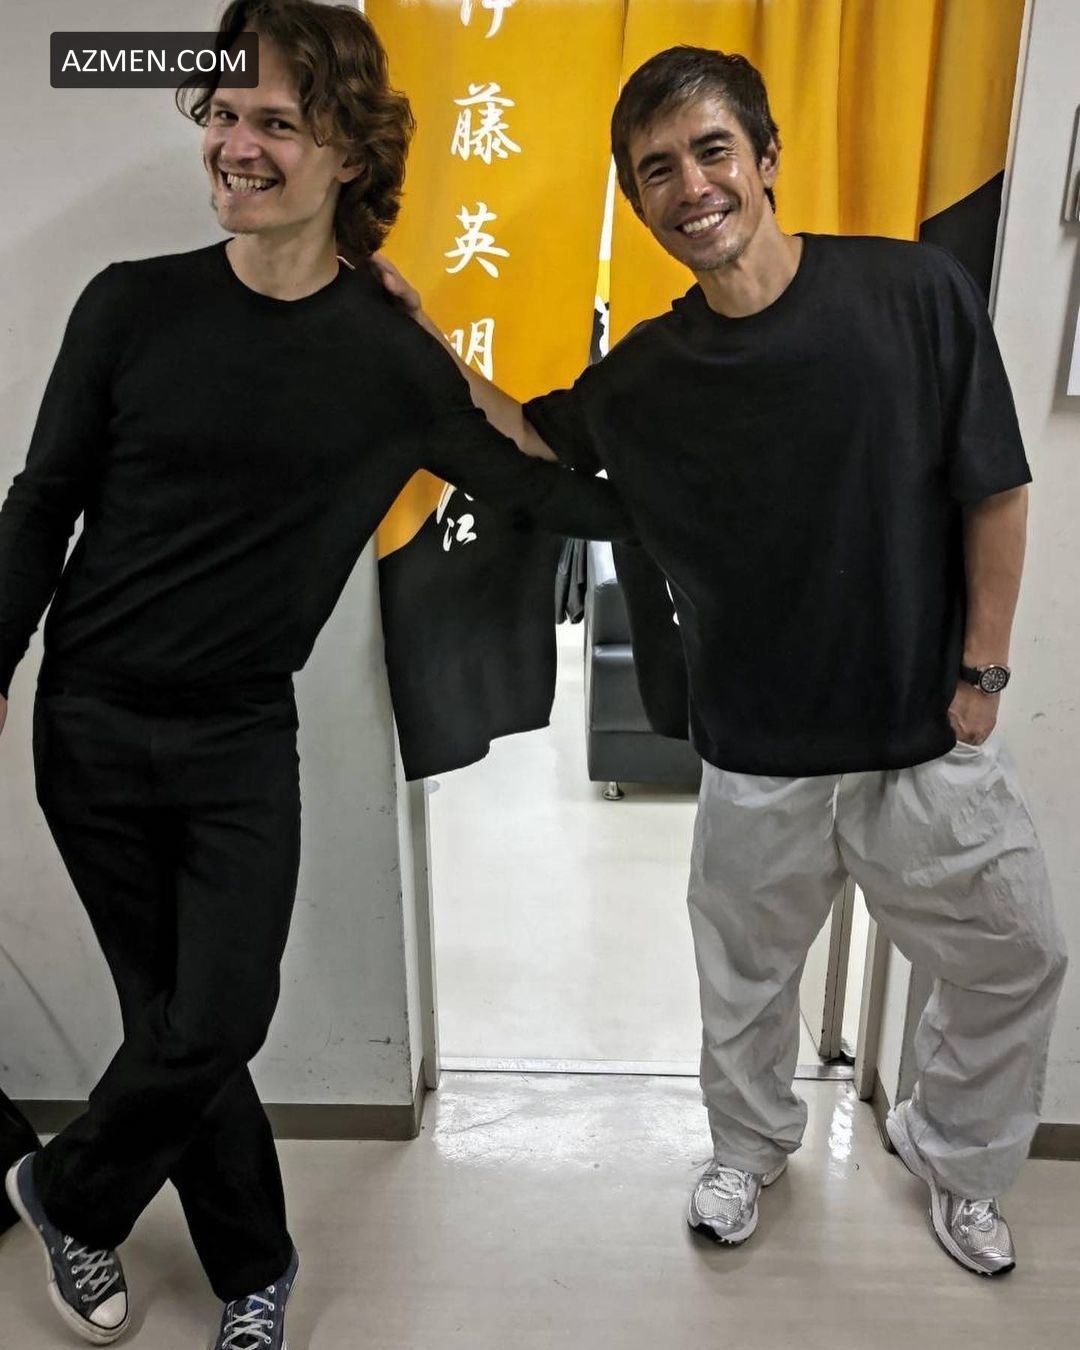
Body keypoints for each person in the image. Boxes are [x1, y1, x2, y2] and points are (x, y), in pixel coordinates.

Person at [375, 45, 1067, 1278]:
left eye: (711, 151)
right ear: (637, 201)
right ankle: (748, 1150)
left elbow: (997, 489)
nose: (691, 187)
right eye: (658, 170)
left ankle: (959, 1160)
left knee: (1016, 957)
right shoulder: (654, 373)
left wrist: (984, 677)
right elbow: (535, 436)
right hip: (757, 746)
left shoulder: (912, 294)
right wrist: (422, 338)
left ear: (765, 159)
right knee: (746, 984)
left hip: (922, 732)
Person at [0, 3, 629, 1346]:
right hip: (91, 724)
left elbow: (543, 488)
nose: (237, 146)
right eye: (224, 116)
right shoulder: (131, 305)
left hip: (237, 736)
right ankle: (255, 1271)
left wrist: (728, 497)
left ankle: (66, 1192)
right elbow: (42, 501)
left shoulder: (387, 360)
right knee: (175, 1022)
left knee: (219, 1012)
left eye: (276, 122)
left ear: (349, 152)